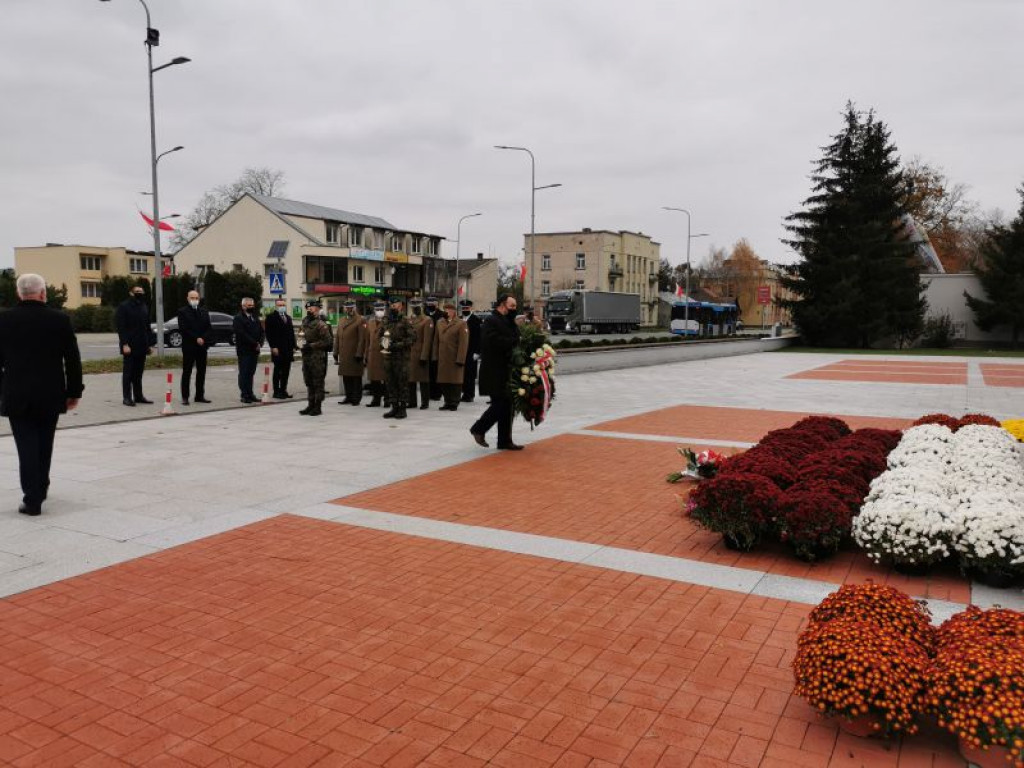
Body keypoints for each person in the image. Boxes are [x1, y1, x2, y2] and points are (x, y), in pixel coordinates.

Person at [0, 274, 83, 516]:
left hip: (17, 394)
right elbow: (72, 359)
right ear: (43, 293)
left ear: (19, 293)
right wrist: (74, 391)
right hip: (50, 393)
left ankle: (32, 498)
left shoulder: (4, 320)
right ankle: (41, 486)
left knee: (25, 446)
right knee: (45, 443)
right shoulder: (59, 320)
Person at [470, 293, 523, 450]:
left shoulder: (507, 321)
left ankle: (504, 441)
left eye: (515, 306)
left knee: (507, 406)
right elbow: (491, 342)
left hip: (506, 370)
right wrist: (512, 342)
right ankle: (478, 429)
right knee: (500, 404)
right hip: (494, 371)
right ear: (502, 304)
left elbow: (516, 338)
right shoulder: (491, 320)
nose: (514, 309)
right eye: (511, 306)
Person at [115, 284, 155, 406]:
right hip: (130, 345)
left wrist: (149, 344)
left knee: (138, 373)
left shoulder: (144, 306)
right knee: (128, 373)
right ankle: (127, 397)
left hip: (142, 345)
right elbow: (121, 328)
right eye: (137, 291)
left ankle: (138, 396)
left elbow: (147, 327)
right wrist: (124, 344)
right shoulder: (124, 306)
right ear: (131, 293)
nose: (140, 293)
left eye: (141, 291)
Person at [176, 289, 212, 405]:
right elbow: (184, 328)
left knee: (201, 372)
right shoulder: (182, 312)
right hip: (189, 346)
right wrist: (196, 338)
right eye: (192, 298)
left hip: (202, 347)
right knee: (187, 371)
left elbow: (208, 327)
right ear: (187, 299)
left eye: (196, 298)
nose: (194, 300)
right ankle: (185, 397)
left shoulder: (204, 312)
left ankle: (199, 395)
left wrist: (203, 338)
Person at [380, 296, 414, 419]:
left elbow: (412, 338)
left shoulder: (405, 320)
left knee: (402, 382)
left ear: (401, 306)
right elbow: (380, 334)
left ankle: (402, 408)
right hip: (389, 357)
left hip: (401, 357)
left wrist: (398, 344)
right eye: (391, 305)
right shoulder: (386, 320)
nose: (393, 307)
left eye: (395, 305)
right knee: (390, 382)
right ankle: (394, 406)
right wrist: (384, 343)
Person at [433, 300, 469, 411]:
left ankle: (454, 402)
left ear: (454, 311)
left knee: (455, 382)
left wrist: (461, 358)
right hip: (443, 357)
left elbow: (464, 343)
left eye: (449, 310)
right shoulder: (440, 322)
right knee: (443, 381)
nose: (447, 312)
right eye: (445, 310)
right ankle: (447, 401)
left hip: (454, 357)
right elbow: (436, 340)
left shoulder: (461, 323)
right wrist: (434, 356)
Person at [299, 300, 332, 415]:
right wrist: (299, 344)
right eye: (307, 308)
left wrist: (311, 345)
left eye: (311, 308)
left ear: (317, 309)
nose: (309, 309)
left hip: (317, 357)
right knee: (308, 381)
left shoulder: (321, 323)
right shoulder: (304, 322)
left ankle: (318, 406)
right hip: (306, 356)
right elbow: (301, 335)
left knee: (317, 382)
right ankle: (310, 404)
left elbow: (328, 341)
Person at [334, 299, 367, 405]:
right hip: (344, 354)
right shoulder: (342, 320)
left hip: (354, 353)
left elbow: (362, 338)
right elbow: (337, 337)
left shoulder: (360, 320)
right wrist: (335, 352)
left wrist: (359, 353)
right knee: (346, 376)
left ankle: (356, 398)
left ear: (355, 308)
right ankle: (348, 396)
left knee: (355, 377)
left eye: (351, 307)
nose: (349, 309)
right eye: (347, 307)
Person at [232, 297, 264, 403]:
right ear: (243, 306)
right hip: (244, 350)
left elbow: (261, 331)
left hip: (254, 350)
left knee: (251, 373)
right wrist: (255, 343)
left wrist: (260, 342)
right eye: (249, 305)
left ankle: (250, 394)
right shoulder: (238, 318)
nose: (251, 307)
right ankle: (244, 395)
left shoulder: (255, 317)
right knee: (244, 373)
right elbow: (241, 334)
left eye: (252, 305)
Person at [264, 297, 296, 399]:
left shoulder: (288, 317)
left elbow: (291, 333)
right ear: (276, 306)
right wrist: (273, 346)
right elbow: (269, 334)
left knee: (286, 371)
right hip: (277, 349)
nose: (282, 307)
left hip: (288, 349)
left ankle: (283, 390)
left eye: (283, 305)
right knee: (278, 371)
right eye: (280, 305)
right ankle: (276, 392)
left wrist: (294, 346)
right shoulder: (271, 317)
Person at [407, 298, 433, 410]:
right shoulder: (409, 320)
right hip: (409, 353)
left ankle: (425, 402)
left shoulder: (427, 320)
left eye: (417, 306)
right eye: (413, 307)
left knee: (423, 380)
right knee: (410, 379)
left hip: (420, 354)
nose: (415, 308)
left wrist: (424, 356)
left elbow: (427, 340)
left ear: (421, 307)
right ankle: (412, 402)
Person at [362, 300, 387, 407]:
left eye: (381, 309)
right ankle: (376, 399)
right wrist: (365, 354)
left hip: (384, 354)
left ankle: (388, 399)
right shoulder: (370, 323)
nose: (379, 311)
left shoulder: (389, 322)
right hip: (372, 354)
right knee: (374, 378)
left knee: (386, 379)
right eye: (377, 309)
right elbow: (367, 340)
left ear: (385, 310)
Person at [460, 299, 482, 403]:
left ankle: (470, 394)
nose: (465, 310)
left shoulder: (476, 320)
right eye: (463, 308)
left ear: (470, 308)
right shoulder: (460, 319)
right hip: (461, 350)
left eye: (467, 308)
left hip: (471, 350)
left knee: (470, 374)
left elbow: (479, 337)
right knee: (462, 373)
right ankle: (464, 393)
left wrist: (477, 352)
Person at [425, 296, 444, 400]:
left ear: (437, 304)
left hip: (437, 346)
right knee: (427, 371)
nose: (431, 305)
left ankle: (437, 393)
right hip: (426, 346)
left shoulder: (442, 315)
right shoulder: (424, 314)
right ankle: (429, 393)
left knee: (436, 370)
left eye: (433, 303)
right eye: (429, 303)